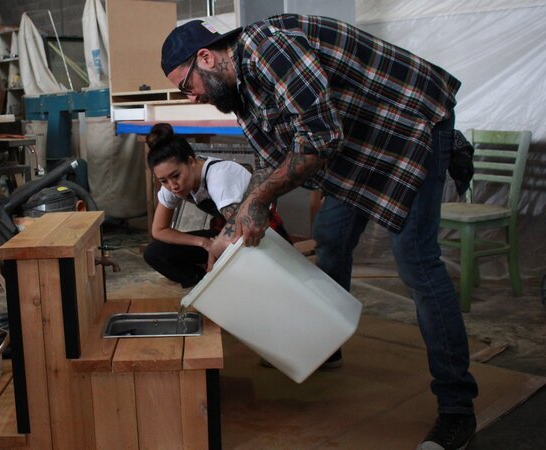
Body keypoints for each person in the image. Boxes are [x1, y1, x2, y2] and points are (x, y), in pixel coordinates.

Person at [160, 15, 478, 450]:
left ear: (206, 57)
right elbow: (273, 162)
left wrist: (257, 201)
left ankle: (457, 408)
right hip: (359, 143)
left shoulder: (270, 48)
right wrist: (230, 231)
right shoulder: (239, 94)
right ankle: (328, 341)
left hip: (412, 126)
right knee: (331, 233)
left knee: (416, 261)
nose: (192, 96)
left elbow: (320, 139)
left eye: (186, 85)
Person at [143, 122, 290, 288]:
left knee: (245, 274)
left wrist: (215, 252)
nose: (172, 186)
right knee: (155, 253)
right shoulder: (172, 185)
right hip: (226, 234)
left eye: (176, 176)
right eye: (164, 181)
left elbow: (239, 231)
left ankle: (225, 285)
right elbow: (159, 230)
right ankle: (202, 285)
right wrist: (203, 242)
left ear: (191, 162)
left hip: (259, 235)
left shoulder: (219, 176)